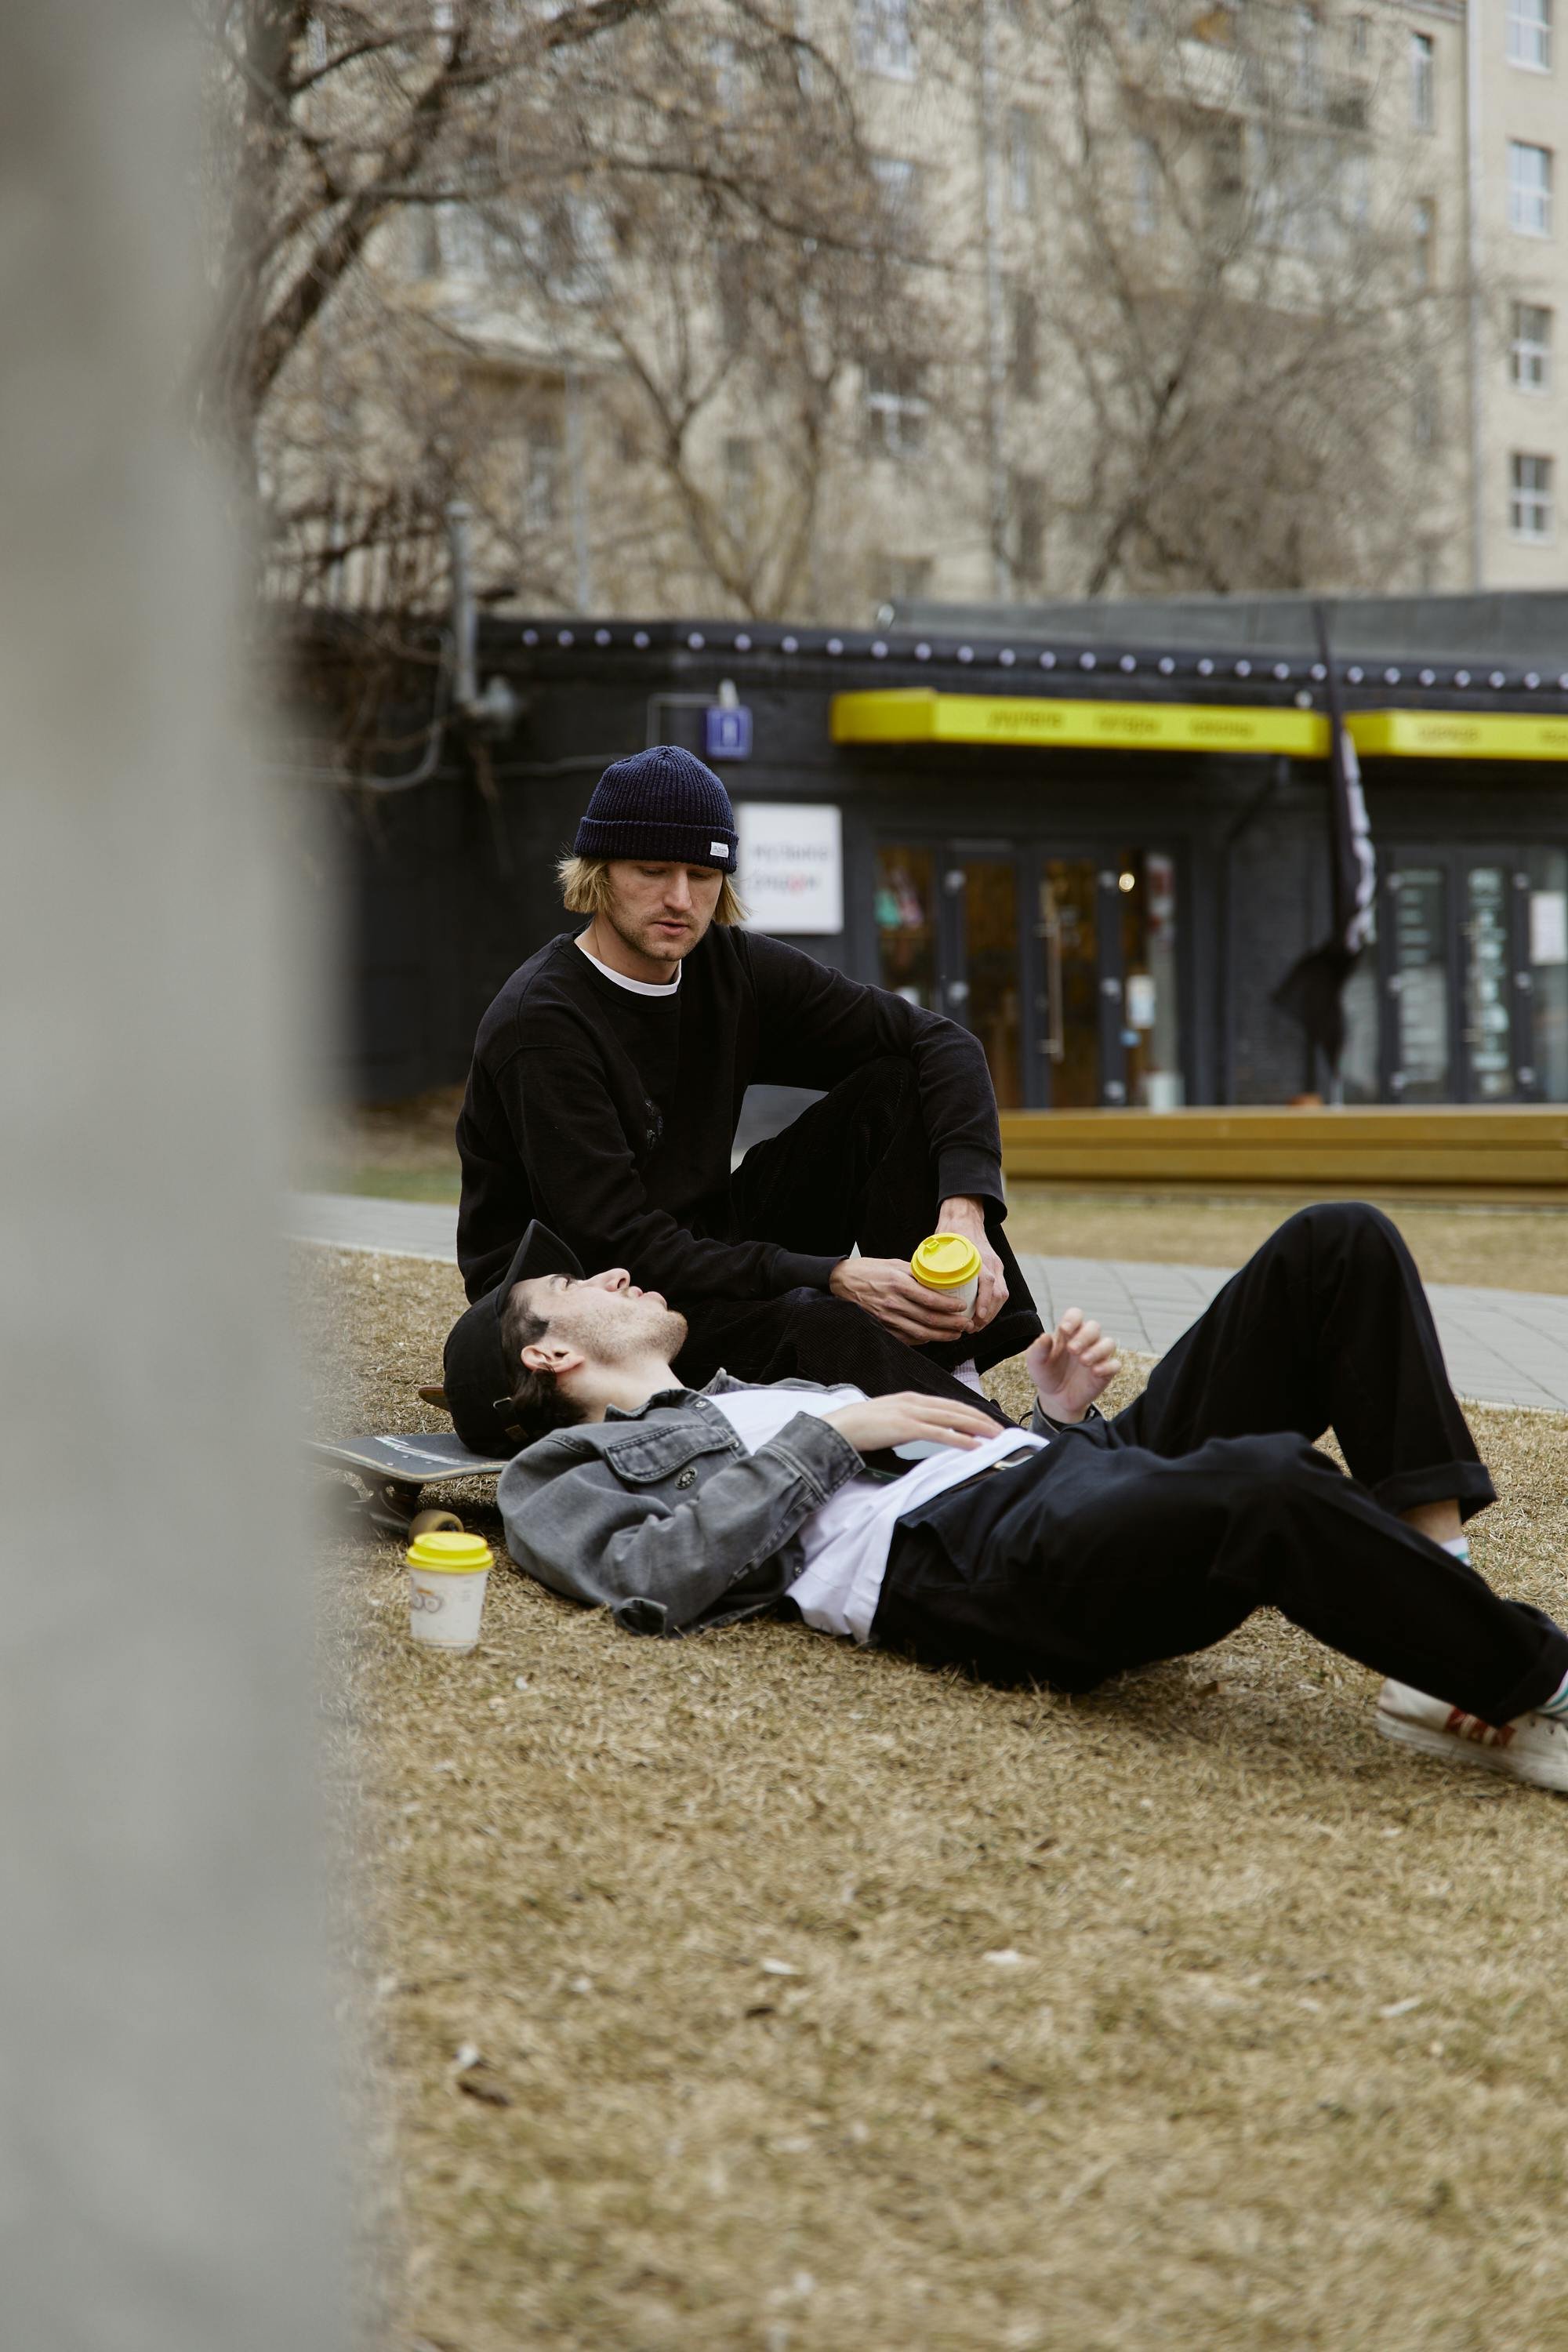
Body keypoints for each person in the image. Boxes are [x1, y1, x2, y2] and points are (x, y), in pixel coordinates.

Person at [491, 1203, 1568, 1793]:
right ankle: (1530, 1676)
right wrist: (835, 1429)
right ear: (546, 1352)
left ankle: (1442, 1620)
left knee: (1337, 1244)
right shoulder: (556, 1476)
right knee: (1269, 1483)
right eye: (583, 1287)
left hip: (1043, 1477)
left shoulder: (749, 1386)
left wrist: (1054, 1418)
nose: (618, 1278)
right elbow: (647, 1582)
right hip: (966, 1558)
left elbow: (965, 1450)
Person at [441, 743, 1040, 1455]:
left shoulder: (726, 966)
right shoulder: (542, 1024)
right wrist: (834, 1274)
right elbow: (618, 1242)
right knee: (818, 1319)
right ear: (599, 875)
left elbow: (942, 1043)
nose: (680, 899)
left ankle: (953, 1367)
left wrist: (964, 1215)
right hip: (590, 1302)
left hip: (702, 1241)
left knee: (894, 1086)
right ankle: (1023, 1463)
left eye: (702, 874)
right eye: (652, 871)